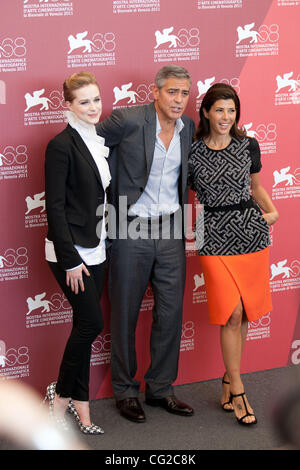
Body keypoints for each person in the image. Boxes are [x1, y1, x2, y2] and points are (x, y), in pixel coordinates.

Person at [96, 65, 195, 422]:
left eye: (184, 93)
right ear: (155, 92)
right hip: (130, 225)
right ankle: (125, 391)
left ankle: (161, 389)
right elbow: (87, 146)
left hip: (170, 228)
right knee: (124, 311)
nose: (179, 100)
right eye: (172, 92)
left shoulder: (188, 129)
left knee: (170, 313)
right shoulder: (128, 120)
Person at [188, 83, 279, 426]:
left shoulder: (248, 145)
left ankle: (228, 379)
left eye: (231, 110)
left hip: (250, 232)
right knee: (232, 311)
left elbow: (256, 187)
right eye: (219, 110)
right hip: (213, 234)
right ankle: (238, 387)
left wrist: (272, 212)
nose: (226, 117)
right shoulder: (192, 151)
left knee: (245, 314)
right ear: (207, 113)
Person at [44, 72, 111, 434]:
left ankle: (82, 411)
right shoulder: (60, 145)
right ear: (67, 105)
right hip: (69, 252)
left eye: (96, 99)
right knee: (91, 323)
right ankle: (59, 398)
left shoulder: (96, 140)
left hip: (98, 246)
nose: (93, 107)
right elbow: (54, 207)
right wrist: (70, 259)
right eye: (84, 101)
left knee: (82, 328)